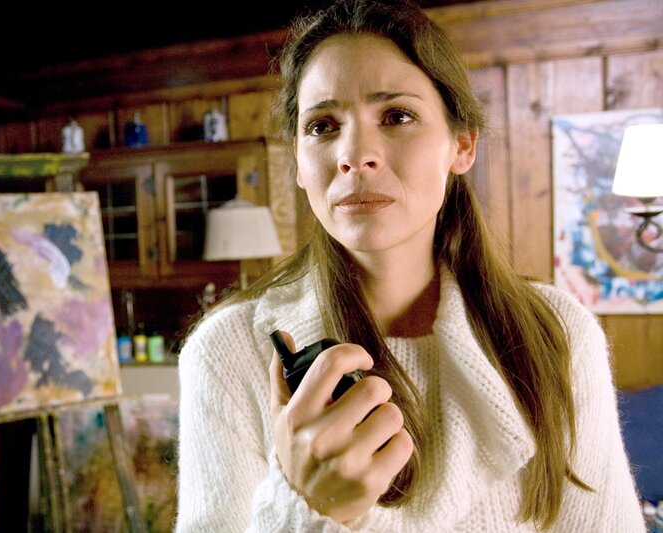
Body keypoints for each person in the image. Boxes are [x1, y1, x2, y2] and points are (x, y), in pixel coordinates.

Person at [175, 0, 645, 531]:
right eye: (322, 126)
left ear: (461, 145)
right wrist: (303, 509)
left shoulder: (556, 334)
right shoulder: (227, 353)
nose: (354, 154)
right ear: (299, 165)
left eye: (397, 116)